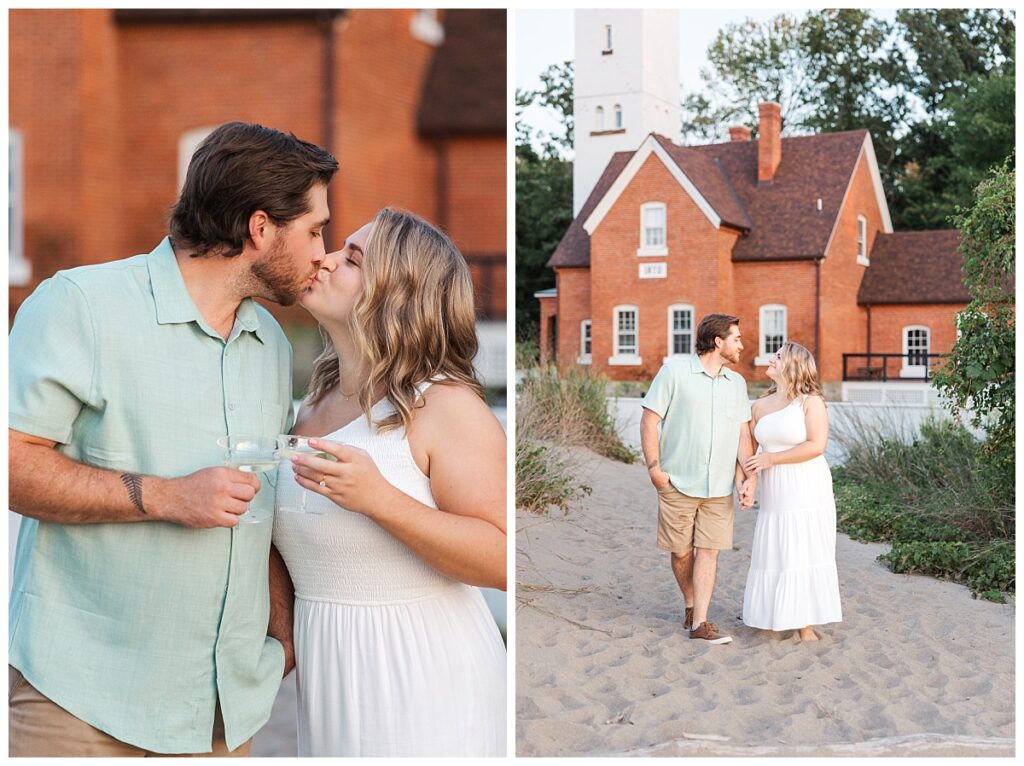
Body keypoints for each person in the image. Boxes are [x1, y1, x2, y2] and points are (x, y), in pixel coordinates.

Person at [8, 121, 338, 756]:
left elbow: (257, 503)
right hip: (80, 704)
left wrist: (282, 628)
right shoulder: (81, 305)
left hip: (222, 713)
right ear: (261, 228)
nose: (324, 252)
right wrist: (164, 496)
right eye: (316, 230)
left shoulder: (268, 343)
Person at [269, 208, 507, 756]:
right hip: (330, 680)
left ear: (397, 295)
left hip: (425, 675)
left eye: (351, 258)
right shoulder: (314, 403)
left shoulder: (446, 405)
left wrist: (380, 500)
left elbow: (499, 557)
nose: (323, 259)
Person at [640, 314, 757, 646]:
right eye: (737, 338)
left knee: (710, 551)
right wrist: (654, 468)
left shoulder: (737, 384)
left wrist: (747, 478)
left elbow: (741, 434)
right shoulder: (675, 372)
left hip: (719, 488)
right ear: (718, 342)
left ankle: (701, 621)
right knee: (680, 553)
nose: (742, 345)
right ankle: (690, 602)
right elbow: (650, 420)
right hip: (676, 482)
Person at [741, 342, 843, 641]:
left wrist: (772, 459)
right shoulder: (759, 405)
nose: (771, 358)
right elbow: (753, 451)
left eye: (779, 356)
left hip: (806, 484)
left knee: (803, 545)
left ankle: (805, 625)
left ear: (793, 366)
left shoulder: (810, 402)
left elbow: (816, 445)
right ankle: (771, 618)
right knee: (775, 546)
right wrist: (750, 482)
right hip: (775, 489)